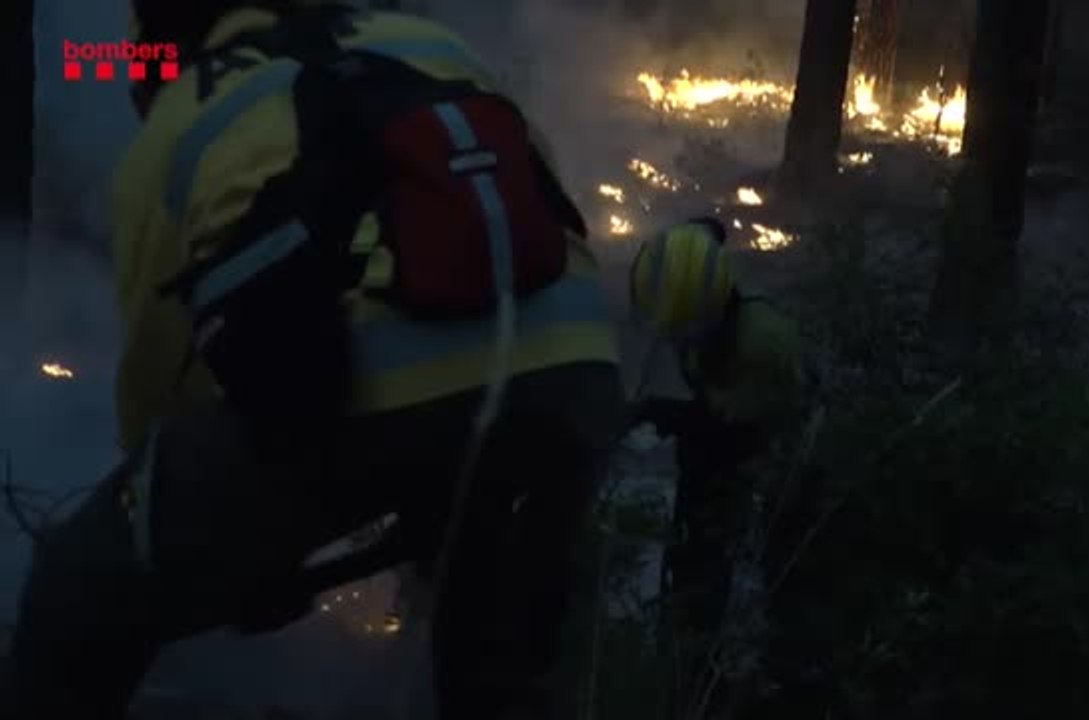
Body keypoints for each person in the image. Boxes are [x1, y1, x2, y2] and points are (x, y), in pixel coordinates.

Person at [1, 2, 623, 719]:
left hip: (388, 398)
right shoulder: (425, 40)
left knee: (79, 581)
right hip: (576, 369)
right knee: (495, 646)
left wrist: (237, 550)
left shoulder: (180, 121)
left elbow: (161, 396)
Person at [627, 217, 810, 716]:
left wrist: (662, 415)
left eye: (684, 331)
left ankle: (717, 682)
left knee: (719, 566)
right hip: (723, 433)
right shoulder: (687, 272)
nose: (675, 340)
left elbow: (733, 433)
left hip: (766, 462)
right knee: (690, 561)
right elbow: (705, 231)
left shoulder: (762, 345)